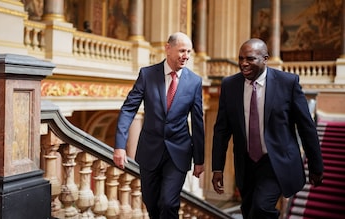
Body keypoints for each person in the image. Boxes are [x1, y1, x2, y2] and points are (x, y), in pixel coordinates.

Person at [211, 38, 324, 219]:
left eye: (250, 59)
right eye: (240, 58)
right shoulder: (230, 85)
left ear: (265, 59)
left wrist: (316, 166)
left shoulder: (288, 83)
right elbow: (221, 131)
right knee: (248, 212)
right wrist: (217, 168)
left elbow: (306, 127)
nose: (243, 64)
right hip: (245, 163)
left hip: (276, 161)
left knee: (262, 207)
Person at [114, 32, 205, 219]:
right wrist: (120, 146)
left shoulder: (195, 81)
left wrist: (200, 159)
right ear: (168, 48)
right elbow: (128, 109)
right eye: (181, 51)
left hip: (178, 152)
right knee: (151, 202)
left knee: (169, 202)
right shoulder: (147, 75)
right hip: (150, 151)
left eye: (188, 51)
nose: (186, 55)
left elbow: (197, 122)